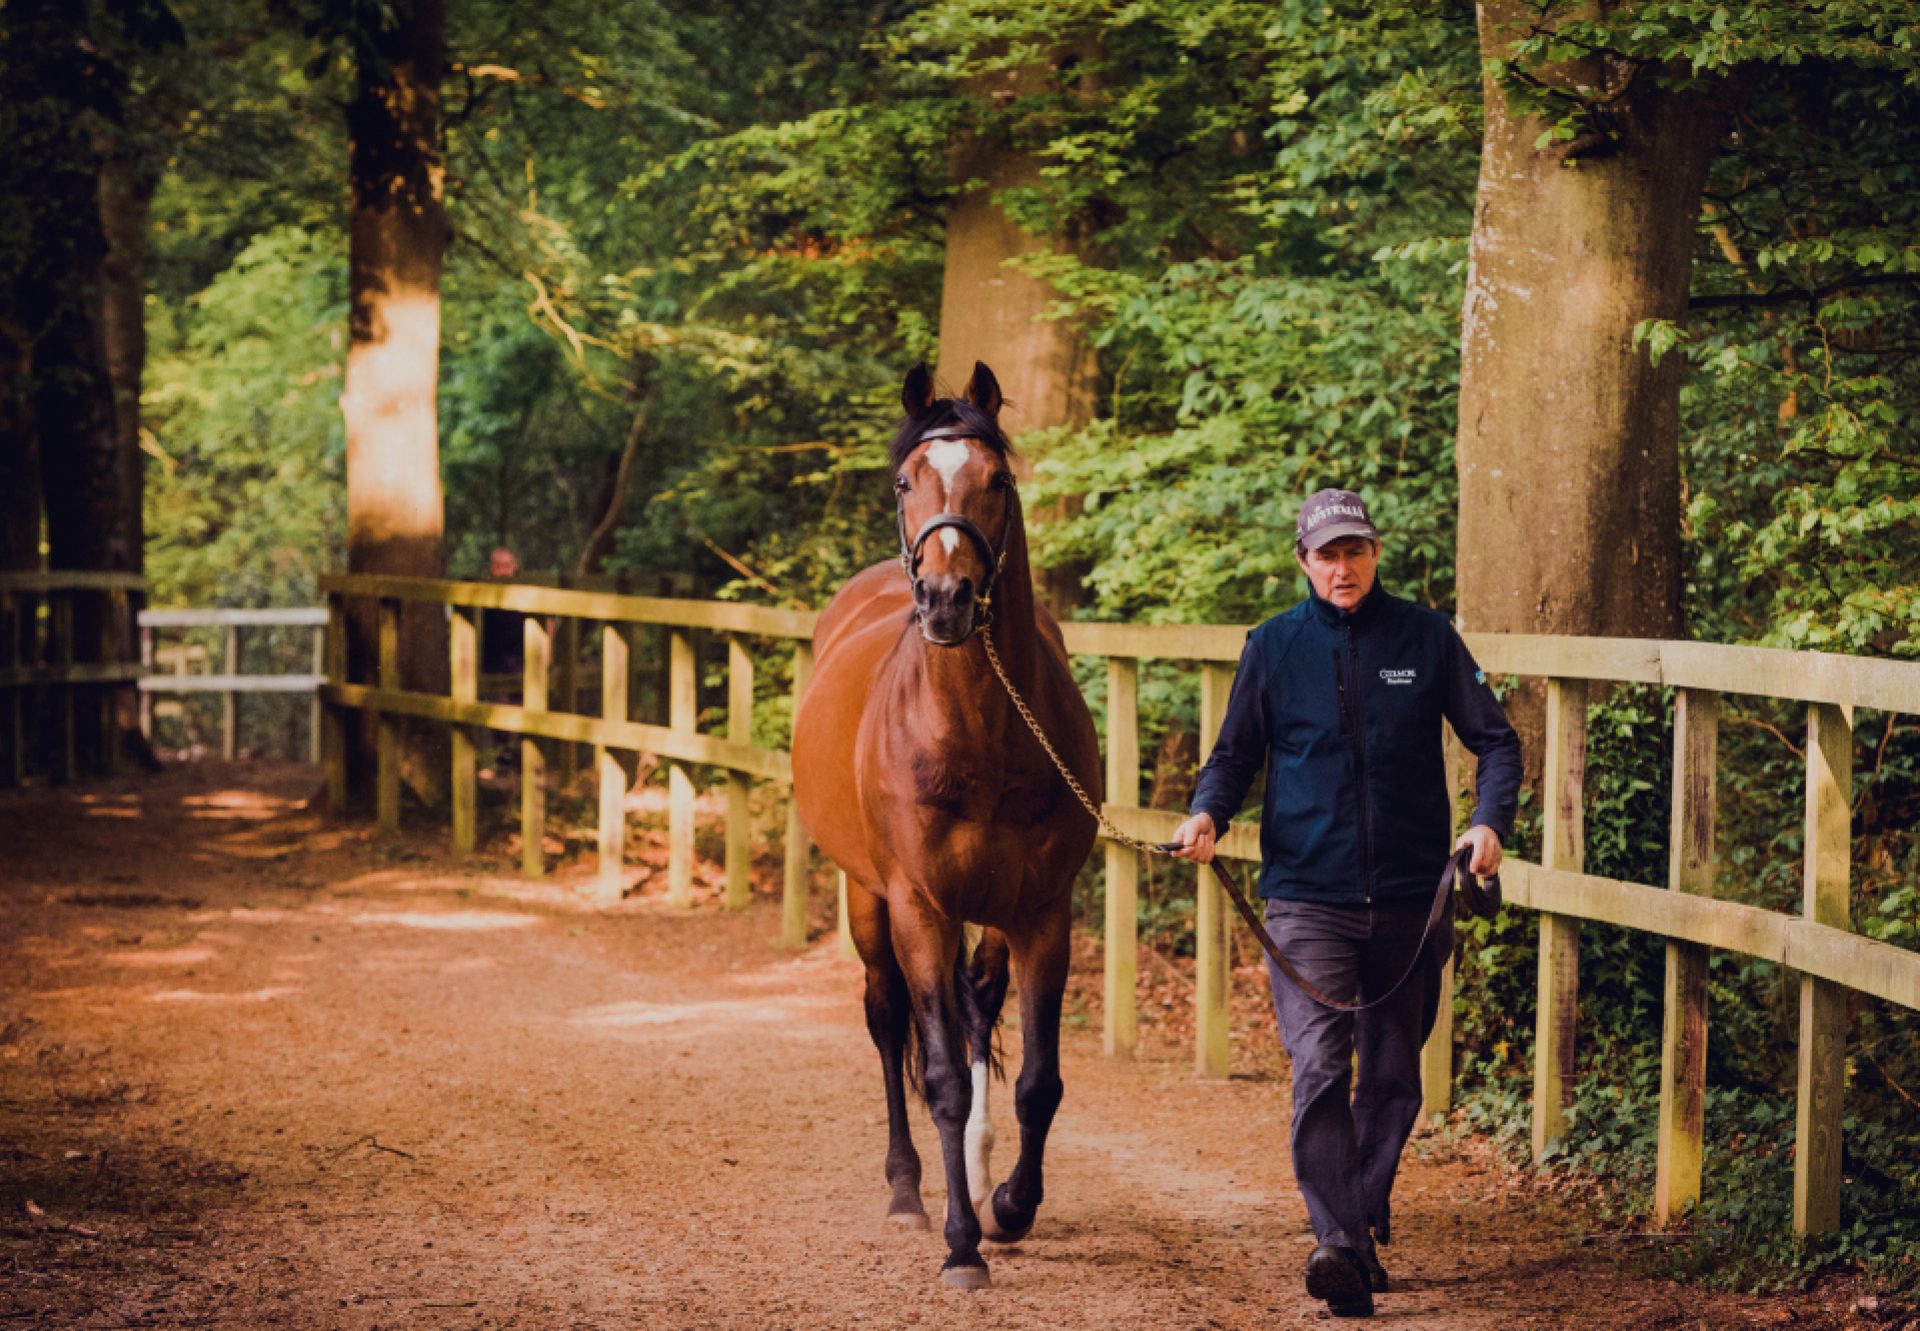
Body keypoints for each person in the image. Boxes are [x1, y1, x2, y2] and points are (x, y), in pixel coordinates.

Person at [1170, 487, 1521, 1319]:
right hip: (1306, 898)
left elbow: (1497, 741)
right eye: (1325, 554)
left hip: (1413, 899)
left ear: (1375, 553)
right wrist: (1208, 811)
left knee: (1394, 1077)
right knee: (1322, 1065)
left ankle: (1357, 1219)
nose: (1341, 567)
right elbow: (1234, 754)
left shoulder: (1427, 637)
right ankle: (1336, 1241)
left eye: (1354, 551)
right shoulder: (1273, 646)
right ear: (1302, 561)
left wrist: (1487, 823)